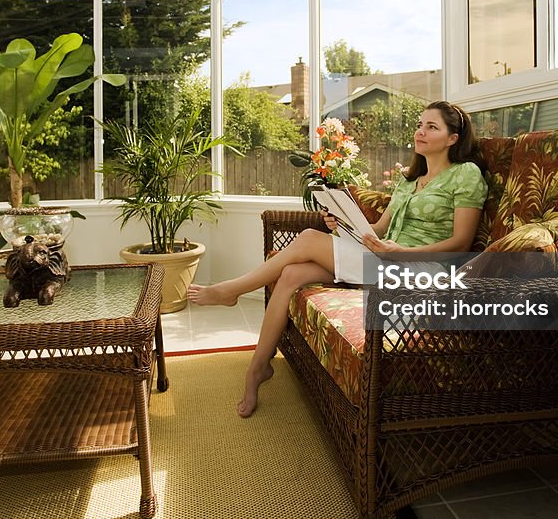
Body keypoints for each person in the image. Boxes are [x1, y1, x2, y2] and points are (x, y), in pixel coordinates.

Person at [189, 101, 488, 417]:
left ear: (453, 138)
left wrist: (401, 253)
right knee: (291, 274)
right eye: (420, 124)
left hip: (417, 269)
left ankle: (232, 290)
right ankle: (258, 368)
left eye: (432, 127)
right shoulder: (409, 180)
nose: (421, 132)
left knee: (307, 238)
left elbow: (461, 243)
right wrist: (345, 224)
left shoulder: (465, 175)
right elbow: (379, 229)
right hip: (385, 257)